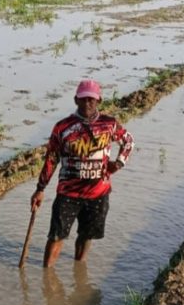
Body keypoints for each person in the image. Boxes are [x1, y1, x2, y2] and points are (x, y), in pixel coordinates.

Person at [30, 79, 134, 267]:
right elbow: (52, 158)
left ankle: (79, 268)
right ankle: (47, 274)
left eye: (91, 100)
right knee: (56, 235)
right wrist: (40, 188)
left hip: (98, 193)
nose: (87, 103)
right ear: (76, 100)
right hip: (68, 193)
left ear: (99, 101)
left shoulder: (109, 124)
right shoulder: (63, 127)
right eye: (83, 99)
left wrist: (118, 164)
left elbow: (129, 142)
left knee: (87, 235)